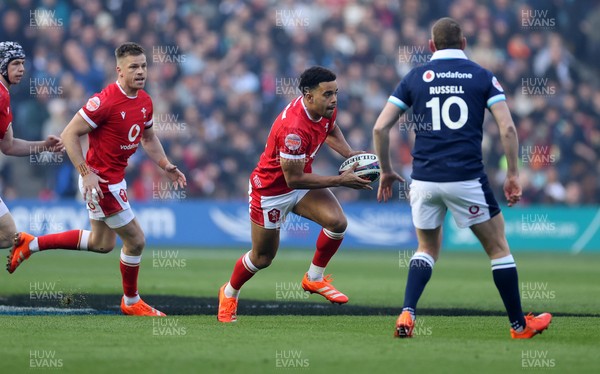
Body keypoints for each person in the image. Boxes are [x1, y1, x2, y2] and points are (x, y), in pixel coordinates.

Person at [372, 18, 552, 339]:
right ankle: (518, 326)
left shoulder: (415, 77)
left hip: (424, 179)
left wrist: (385, 171)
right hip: (466, 177)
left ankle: (407, 312)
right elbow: (508, 128)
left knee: (426, 248)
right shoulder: (482, 76)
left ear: (431, 45)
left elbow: (379, 127)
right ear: (465, 43)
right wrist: (512, 173)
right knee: (498, 247)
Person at [7, 42, 186, 317]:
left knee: (101, 244)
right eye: (133, 67)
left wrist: (165, 165)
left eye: (144, 66)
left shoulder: (145, 101)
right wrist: (86, 172)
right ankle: (130, 301)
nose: (141, 72)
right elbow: (69, 134)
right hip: (101, 182)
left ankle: (31, 244)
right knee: (136, 240)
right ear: (119, 70)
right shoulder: (104, 101)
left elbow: (148, 138)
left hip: (113, 180)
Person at [218, 66, 372, 322]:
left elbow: (330, 129)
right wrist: (340, 180)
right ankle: (229, 292)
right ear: (309, 97)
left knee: (337, 223)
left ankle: (313, 279)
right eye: (328, 94)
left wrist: (348, 153)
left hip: (299, 185)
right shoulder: (294, 130)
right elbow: (294, 178)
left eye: (336, 93)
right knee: (262, 257)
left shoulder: (324, 108)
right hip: (271, 191)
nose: (334, 99)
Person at [0, 41, 64, 251]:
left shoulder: (5, 96)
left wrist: (44, 145)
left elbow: (8, 146)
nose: (21, 69)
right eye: (15, 63)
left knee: (9, 236)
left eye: (23, 63)